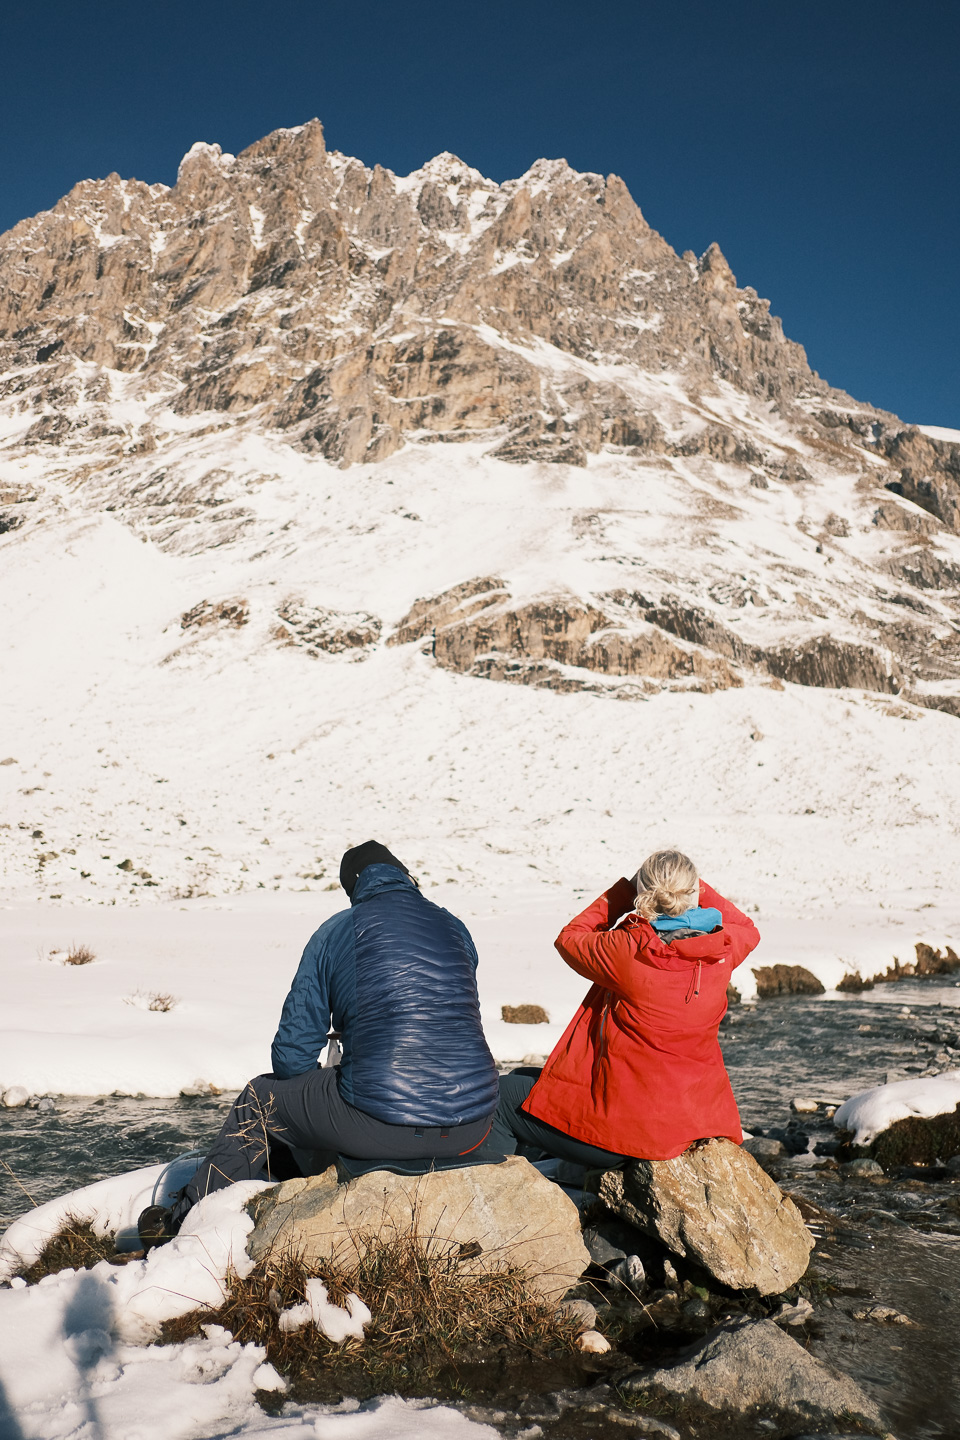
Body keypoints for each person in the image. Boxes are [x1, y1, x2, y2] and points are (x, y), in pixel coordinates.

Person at [139, 840, 499, 1245]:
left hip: (382, 1124)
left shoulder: (338, 930)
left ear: (354, 886)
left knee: (258, 1101)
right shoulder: (454, 927)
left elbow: (292, 1055)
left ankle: (184, 1225)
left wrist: (321, 1084)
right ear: (404, 875)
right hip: (473, 1125)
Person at [487, 849, 760, 1166]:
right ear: (693, 891)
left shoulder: (629, 950)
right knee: (526, 1077)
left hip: (631, 1135)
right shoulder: (722, 948)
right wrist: (696, 888)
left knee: (501, 1097)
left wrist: (623, 892)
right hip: (696, 1123)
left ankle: (500, 1192)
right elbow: (747, 927)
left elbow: (570, 938)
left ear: (644, 893)